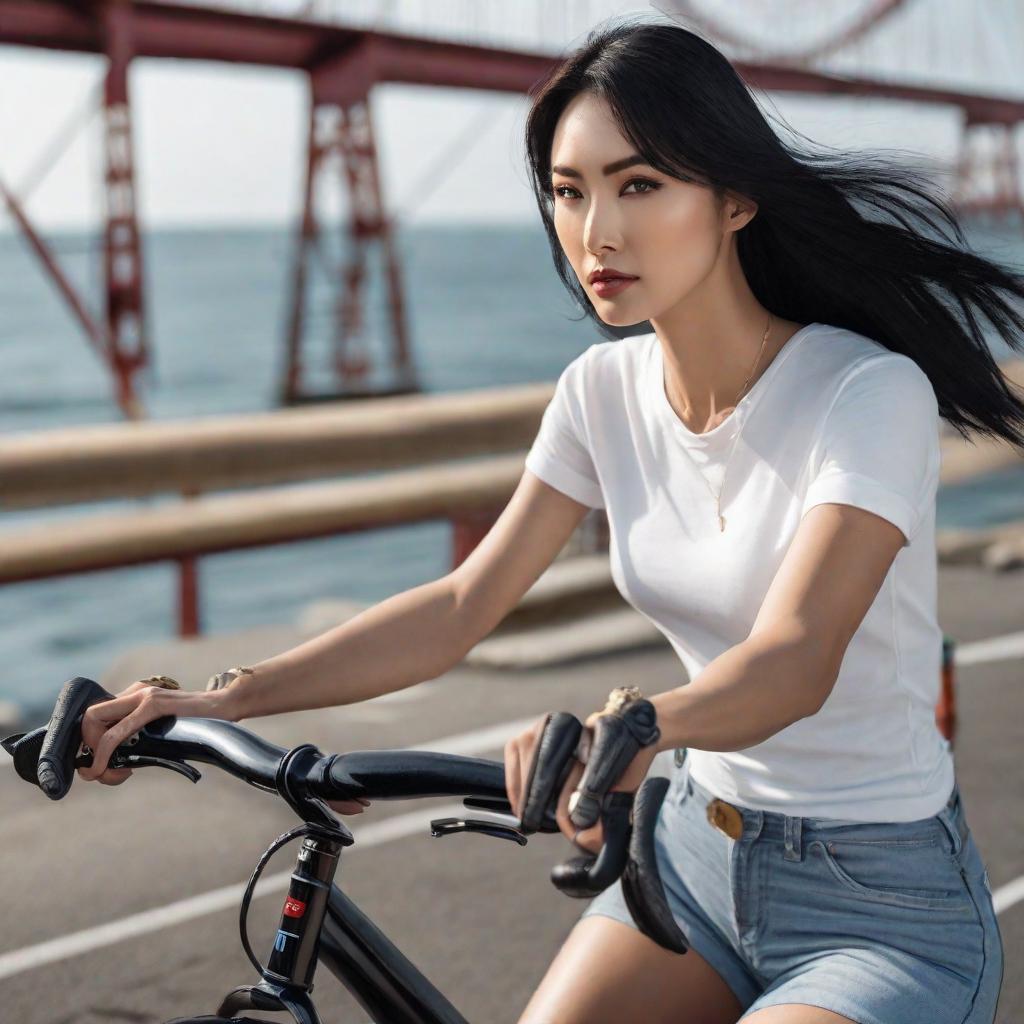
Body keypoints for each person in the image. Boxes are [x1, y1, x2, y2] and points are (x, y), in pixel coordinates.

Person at [75, 15, 1023, 1024]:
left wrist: (637, 723)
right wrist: (227, 702)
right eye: (570, 192)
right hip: (690, 859)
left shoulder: (863, 392)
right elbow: (458, 604)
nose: (596, 234)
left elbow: (797, 654)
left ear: (736, 198)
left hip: (876, 900)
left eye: (639, 185)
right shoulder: (599, 392)